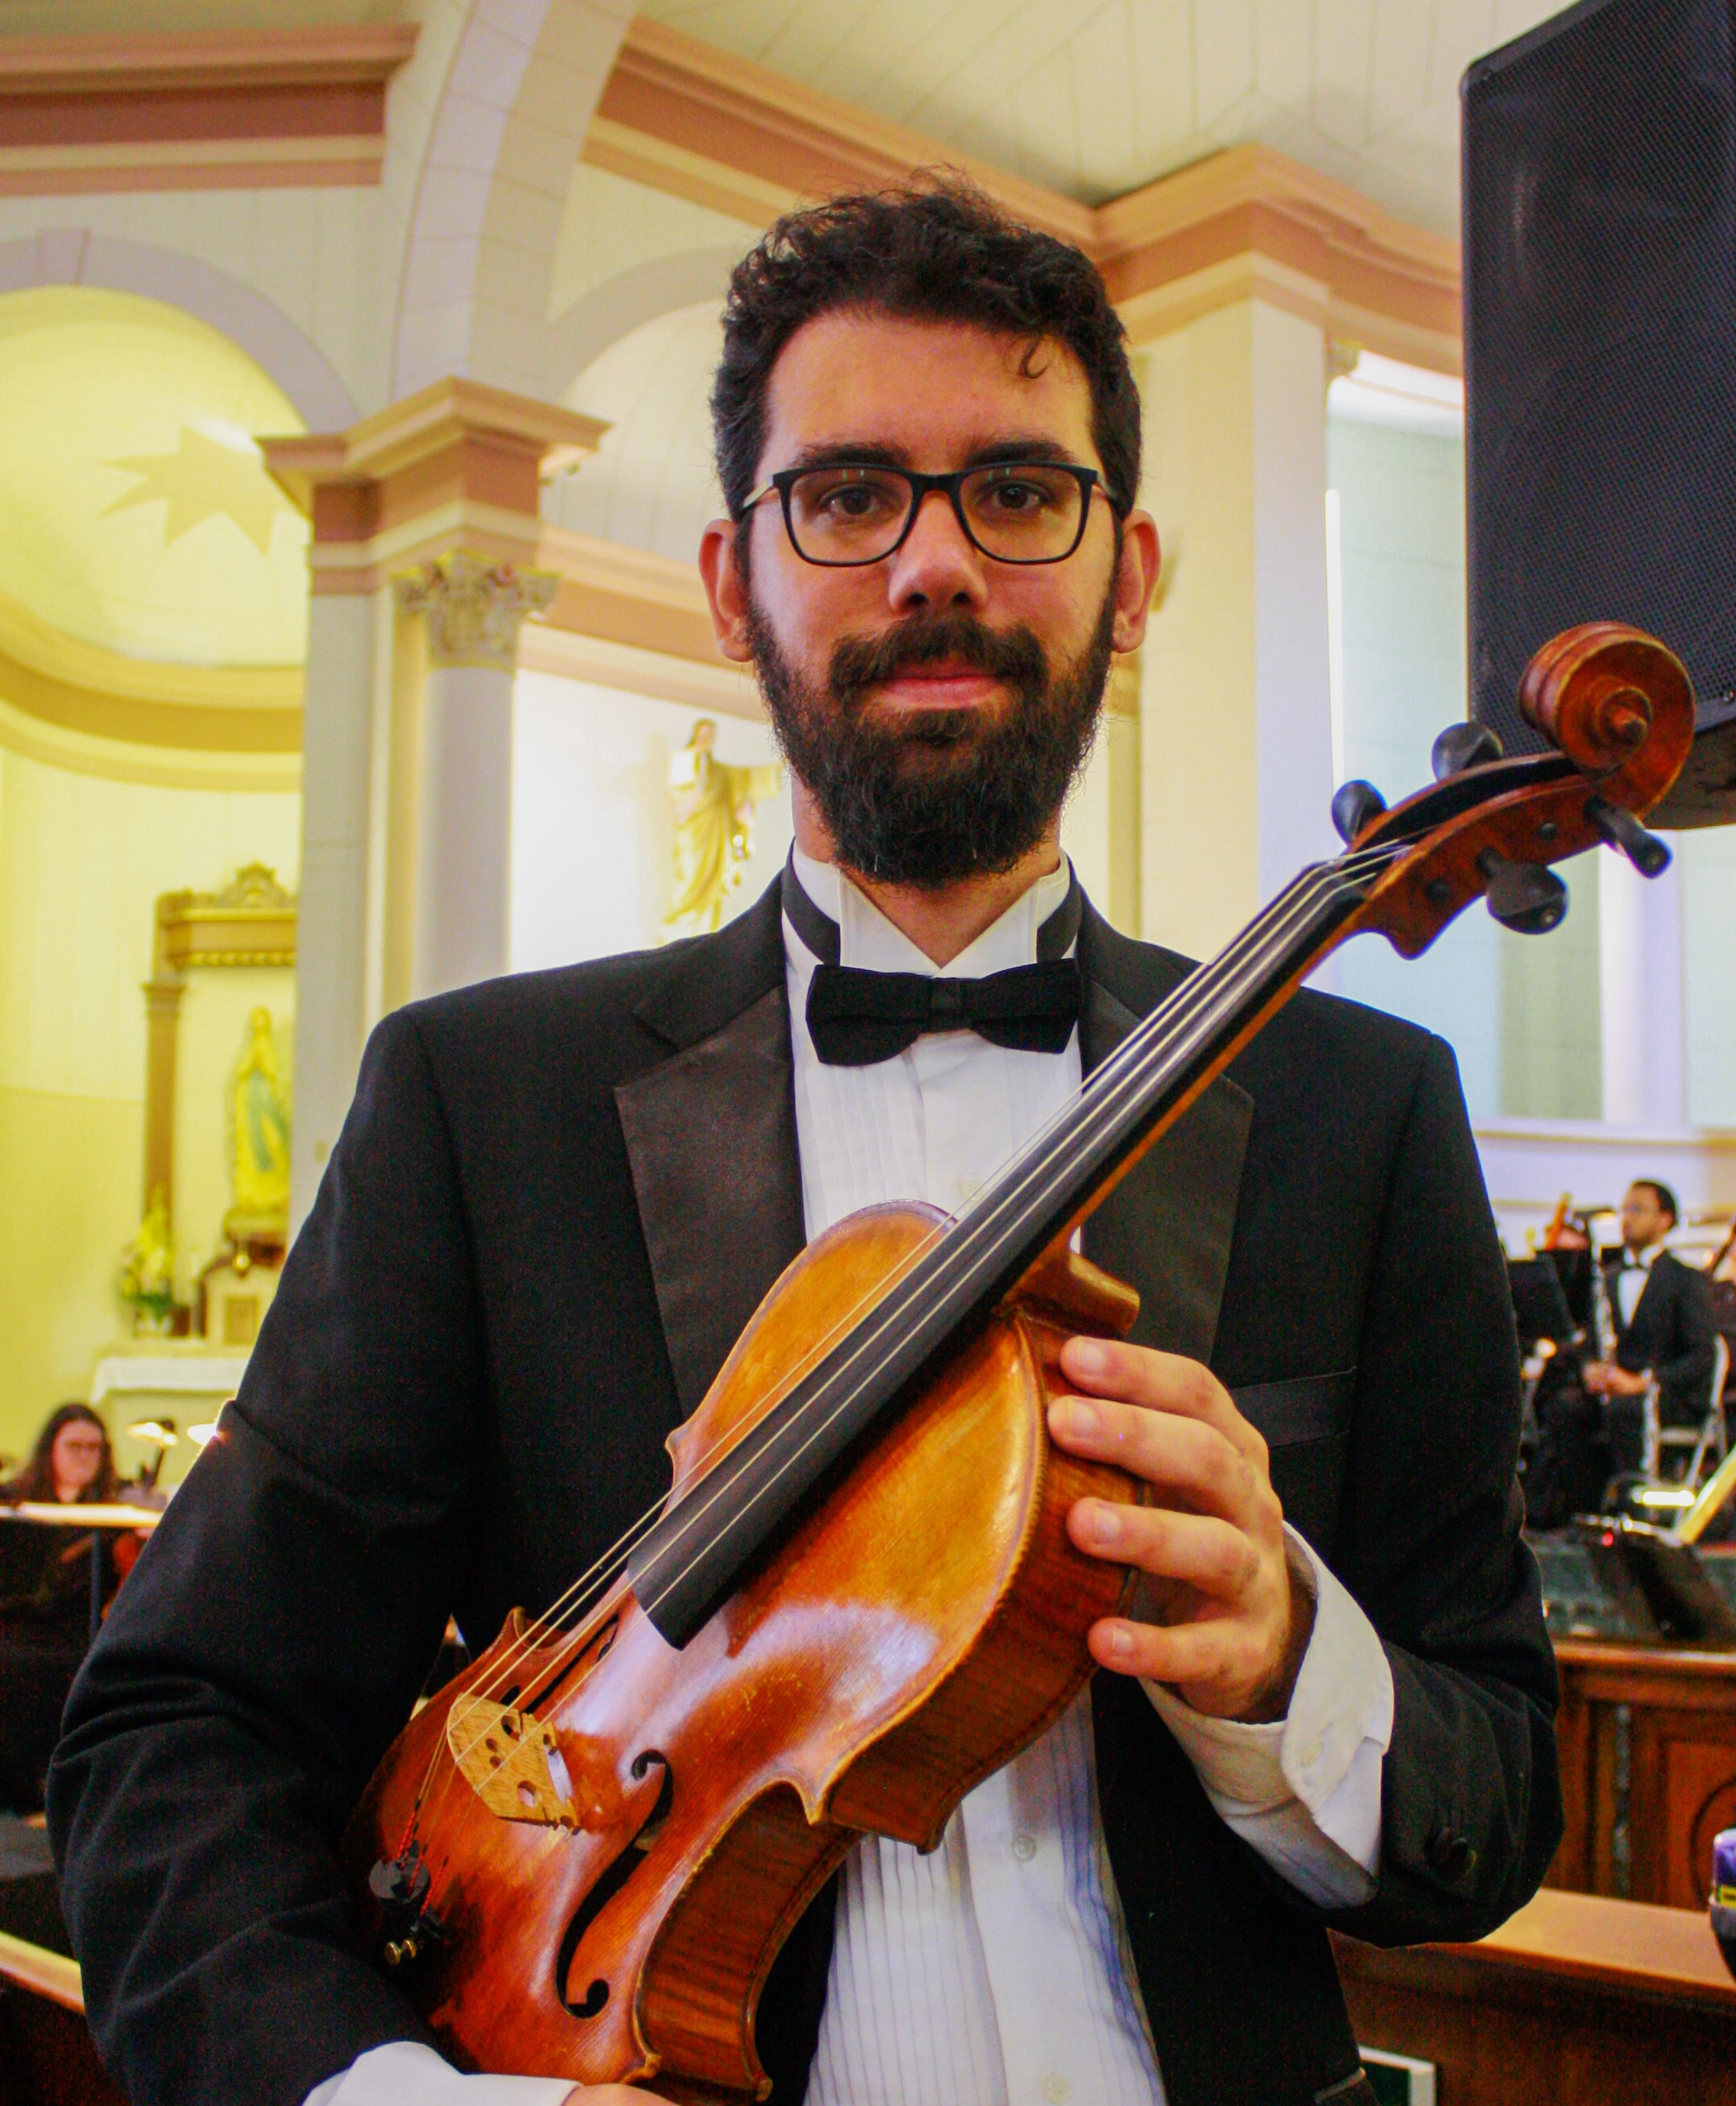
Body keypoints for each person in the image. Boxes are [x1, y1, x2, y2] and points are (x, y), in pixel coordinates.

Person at [50, 184, 1560, 2106]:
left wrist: (1280, 1659)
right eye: (846, 497)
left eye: (1017, 492)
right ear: (724, 576)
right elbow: (177, 1729)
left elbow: (1491, 1792)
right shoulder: (477, 1104)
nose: (933, 563)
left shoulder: (1358, 1108)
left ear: (1131, 566)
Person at [0, 1406, 118, 1812]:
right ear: (51, 1448)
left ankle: (47, 1795)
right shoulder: (14, 1499)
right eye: (74, 1446)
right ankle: (21, 1794)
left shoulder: (114, 1509)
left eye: (94, 1448)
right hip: (16, 1623)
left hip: (76, 1631)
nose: (85, 1456)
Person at [1583, 1179, 1717, 1480]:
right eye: (1624, 1210)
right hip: (1617, 1392)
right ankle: (1579, 1511)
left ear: (1665, 1219)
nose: (1626, 1218)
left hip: (1665, 1394)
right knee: (1566, 1408)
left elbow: (1701, 1355)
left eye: (1637, 1209)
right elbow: (1590, 1345)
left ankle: (1634, 1506)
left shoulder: (1686, 1279)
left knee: (1625, 1411)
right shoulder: (1608, 1278)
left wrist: (1643, 1382)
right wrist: (1590, 1370)